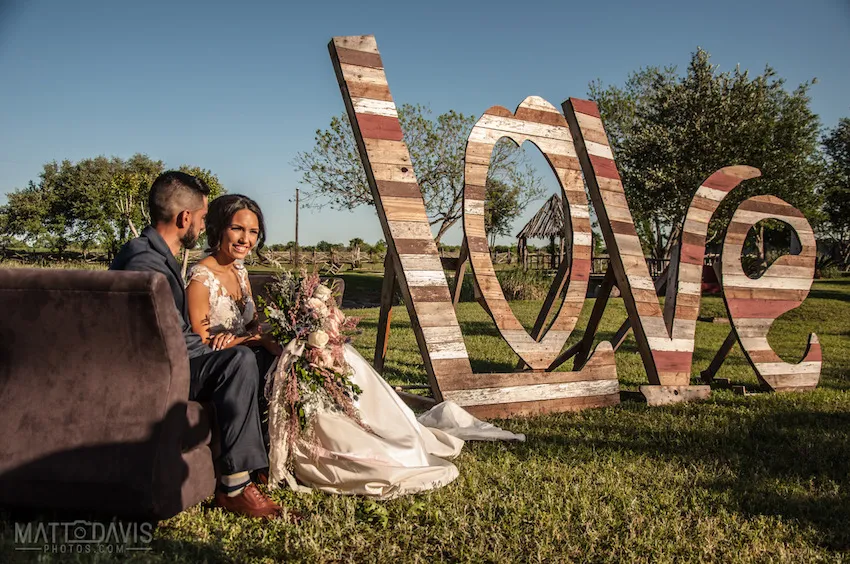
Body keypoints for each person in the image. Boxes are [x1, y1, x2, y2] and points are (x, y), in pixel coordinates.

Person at [188, 193, 525, 499]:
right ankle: (338, 449)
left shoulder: (240, 271)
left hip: (255, 349)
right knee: (307, 361)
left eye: (253, 233)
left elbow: (249, 325)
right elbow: (206, 342)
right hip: (233, 362)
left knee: (333, 352)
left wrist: (279, 329)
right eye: (237, 229)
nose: (246, 239)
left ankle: (384, 428)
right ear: (219, 227)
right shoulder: (200, 277)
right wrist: (255, 338)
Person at [110, 171, 285, 519]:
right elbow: (166, 338)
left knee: (252, 356)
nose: (204, 225)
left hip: (176, 357)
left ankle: (264, 460)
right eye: (204, 217)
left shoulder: (151, 254)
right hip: (162, 370)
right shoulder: (146, 264)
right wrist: (223, 348)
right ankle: (234, 485)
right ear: (185, 218)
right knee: (238, 362)